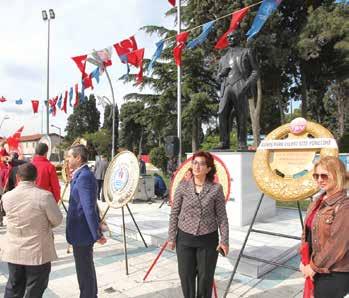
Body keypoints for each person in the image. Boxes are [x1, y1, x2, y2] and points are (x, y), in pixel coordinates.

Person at [168, 150, 229, 298]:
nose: (197, 166)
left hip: (208, 240)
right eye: (195, 163)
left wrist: (224, 240)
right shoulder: (183, 186)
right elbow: (174, 212)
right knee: (186, 278)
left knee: (205, 280)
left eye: (202, 164)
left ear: (208, 169)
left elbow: (222, 216)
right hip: (185, 239)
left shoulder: (216, 189)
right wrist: (171, 237)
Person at [1, 163, 62, 298]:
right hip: (37, 252)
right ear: (36, 177)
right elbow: (57, 220)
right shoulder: (44, 196)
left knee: (14, 286)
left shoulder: (7, 197)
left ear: (18, 177)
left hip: (14, 250)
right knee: (35, 289)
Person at [300, 156, 349, 298]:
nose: (320, 179)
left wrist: (313, 266)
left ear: (338, 175)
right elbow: (306, 231)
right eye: (316, 176)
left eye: (324, 175)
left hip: (334, 271)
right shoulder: (318, 200)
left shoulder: (344, 206)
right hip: (315, 266)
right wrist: (303, 260)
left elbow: (337, 245)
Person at [66, 144, 107, 298]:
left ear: (78, 158)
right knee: (84, 270)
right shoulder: (80, 174)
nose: (67, 159)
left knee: (85, 271)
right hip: (79, 231)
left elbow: (89, 208)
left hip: (82, 232)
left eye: (70, 156)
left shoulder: (84, 177)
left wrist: (96, 234)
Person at [216, 29, 258, 150]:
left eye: (232, 37)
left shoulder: (246, 52)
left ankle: (242, 142)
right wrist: (220, 75)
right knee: (222, 113)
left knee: (241, 114)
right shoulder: (223, 58)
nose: (230, 39)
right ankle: (224, 142)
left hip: (240, 83)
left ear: (238, 38)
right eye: (228, 37)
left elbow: (256, 71)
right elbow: (217, 77)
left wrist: (247, 84)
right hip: (226, 86)